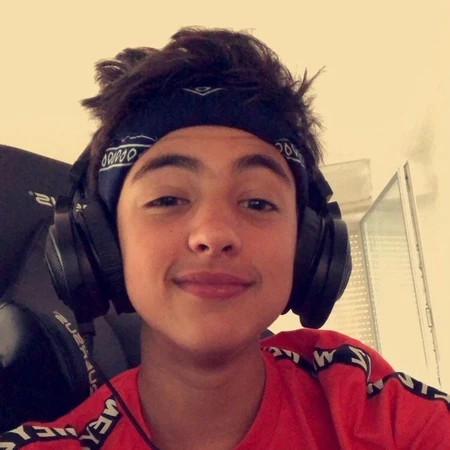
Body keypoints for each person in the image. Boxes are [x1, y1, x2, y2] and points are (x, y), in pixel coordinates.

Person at [1, 26, 449, 450]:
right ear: (102, 245)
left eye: (257, 202)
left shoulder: (358, 397)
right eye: (167, 199)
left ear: (308, 248)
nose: (214, 234)